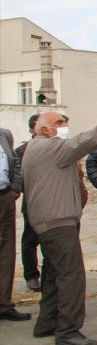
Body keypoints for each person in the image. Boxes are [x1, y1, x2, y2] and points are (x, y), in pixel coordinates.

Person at [23, 108, 97, 345]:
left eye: (66, 120)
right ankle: (68, 331)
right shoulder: (49, 147)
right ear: (44, 129)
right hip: (58, 222)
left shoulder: (35, 147)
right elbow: (85, 142)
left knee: (55, 272)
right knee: (72, 276)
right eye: (59, 122)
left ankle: (47, 322)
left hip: (49, 220)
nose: (65, 125)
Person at [0, 126, 27, 321]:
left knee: (6, 253)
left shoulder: (4, 134)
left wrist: (15, 189)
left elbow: (15, 162)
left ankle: (4, 304)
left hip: (5, 198)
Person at [15, 115, 42, 291]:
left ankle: (51, 276)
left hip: (56, 206)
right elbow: (19, 178)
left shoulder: (59, 148)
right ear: (32, 129)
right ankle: (31, 275)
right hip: (33, 203)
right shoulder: (22, 151)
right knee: (30, 241)